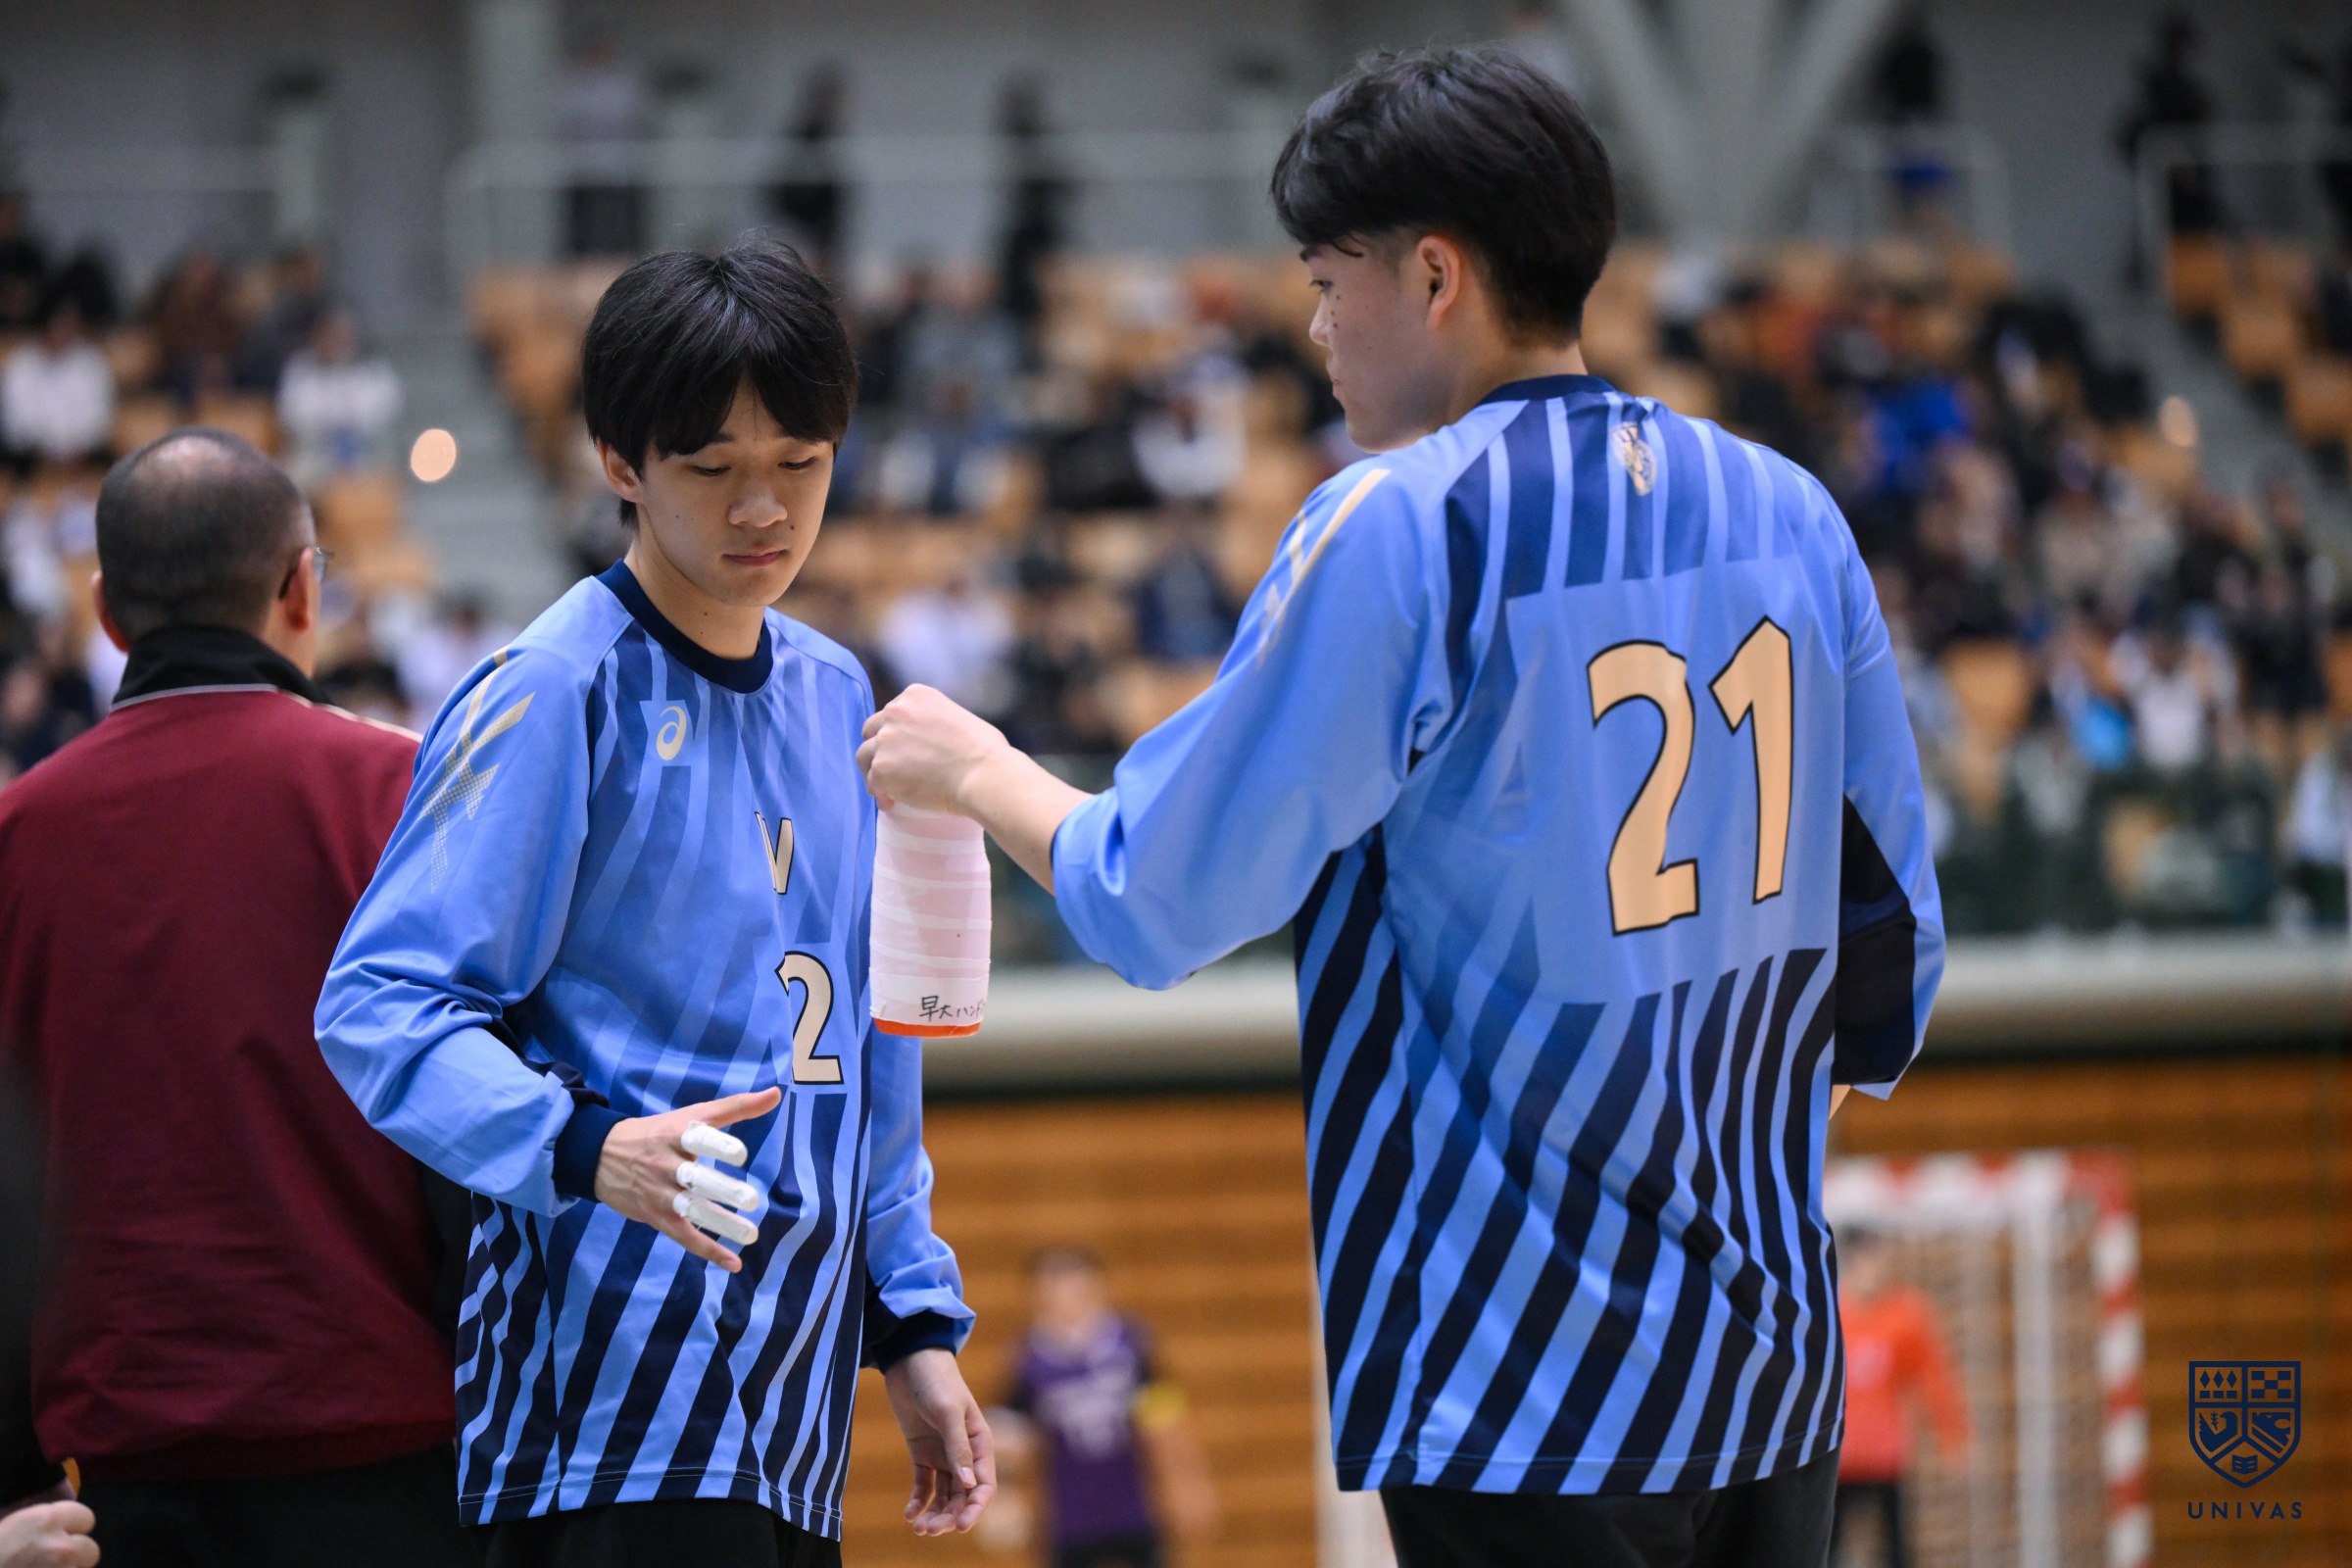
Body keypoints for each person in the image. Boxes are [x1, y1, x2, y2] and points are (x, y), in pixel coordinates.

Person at [861, 47, 1942, 1568]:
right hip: (1773, 1370)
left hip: (1518, 1381)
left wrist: (977, 772)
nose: (1312, 327)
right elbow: (1893, 950)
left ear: (1435, 275)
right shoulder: (1791, 509)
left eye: (1326, 280)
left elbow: (1152, 895)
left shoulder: (1406, 520)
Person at [315, 238, 993, 1568]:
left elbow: (871, 1044)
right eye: (714, 469)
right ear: (621, 463)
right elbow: (380, 1005)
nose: (765, 509)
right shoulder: (554, 688)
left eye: (801, 463)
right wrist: (582, 1144)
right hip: (606, 1406)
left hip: (793, 1412)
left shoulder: (837, 695)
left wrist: (910, 1320)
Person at [0, 429, 477, 1567]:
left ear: (107, 610)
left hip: (111, 1490)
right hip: (389, 1464)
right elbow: (474, 1125)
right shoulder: (405, 792)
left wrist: (10, 1472)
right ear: (303, 588)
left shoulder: (15, 836)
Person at [995, 1248, 1217, 1568]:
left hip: (1135, 1506)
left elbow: (1167, 1423)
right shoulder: (1027, 1359)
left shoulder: (1130, 1344)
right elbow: (1009, 1435)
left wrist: (1188, 1485)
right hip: (1067, 1516)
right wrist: (1004, 1496)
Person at [1830, 1229, 1969, 1568]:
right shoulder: (1830, 1315)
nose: (1878, 1270)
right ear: (1851, 1263)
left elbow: (1934, 1377)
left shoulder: (1906, 1315)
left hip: (1884, 1457)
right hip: (1837, 1458)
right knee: (1827, 1549)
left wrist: (1953, 1435)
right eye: (1869, 1261)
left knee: (1896, 1550)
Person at [2, 295, 112, 469]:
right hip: (30, 461)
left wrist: (76, 450)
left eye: (71, 324)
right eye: (60, 324)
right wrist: (46, 452)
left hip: (83, 459)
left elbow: (99, 418)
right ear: (45, 325)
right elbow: (16, 422)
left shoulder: (90, 361)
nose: (64, 331)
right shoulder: (21, 363)